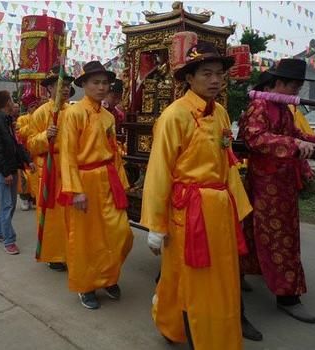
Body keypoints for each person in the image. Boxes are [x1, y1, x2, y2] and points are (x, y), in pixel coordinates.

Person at [141, 40, 254, 349]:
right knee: (195, 279)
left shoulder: (219, 113)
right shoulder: (174, 116)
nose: (215, 80)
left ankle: (175, 325)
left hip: (219, 208)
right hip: (188, 212)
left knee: (217, 278)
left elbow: (228, 163)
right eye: (206, 73)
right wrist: (155, 224)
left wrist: (240, 210)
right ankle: (202, 339)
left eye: (219, 74)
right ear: (189, 78)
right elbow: (159, 170)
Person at [239, 58, 315, 324]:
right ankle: (288, 296)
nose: (296, 92)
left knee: (256, 231)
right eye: (294, 86)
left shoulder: (283, 108)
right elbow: (254, 138)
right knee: (280, 237)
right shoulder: (260, 106)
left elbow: (295, 133)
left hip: (283, 183)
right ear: (278, 83)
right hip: (266, 184)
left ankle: (239, 273)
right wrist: (292, 143)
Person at [59, 61, 133, 309]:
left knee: (120, 233)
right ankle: (86, 285)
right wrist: (75, 190)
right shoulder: (73, 113)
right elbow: (67, 154)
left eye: (105, 83)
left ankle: (108, 276)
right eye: (96, 82)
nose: (102, 87)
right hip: (85, 181)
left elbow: (115, 153)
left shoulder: (109, 116)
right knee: (86, 238)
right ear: (84, 85)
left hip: (108, 178)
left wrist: (122, 183)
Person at [25, 66, 75, 272]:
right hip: (50, 168)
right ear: (50, 89)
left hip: (70, 168)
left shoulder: (74, 111)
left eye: (67, 85)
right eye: (60, 85)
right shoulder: (40, 113)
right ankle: (53, 254)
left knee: (71, 214)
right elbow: (30, 143)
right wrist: (46, 136)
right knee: (52, 214)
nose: (65, 89)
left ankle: (71, 252)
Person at [0, 90, 35, 255]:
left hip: (11, 167)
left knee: (9, 204)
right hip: (3, 170)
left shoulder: (8, 121)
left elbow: (16, 145)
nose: (14, 102)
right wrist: (5, 172)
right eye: (12, 99)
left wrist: (28, 160)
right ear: (7, 103)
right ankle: (9, 240)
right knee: (7, 205)